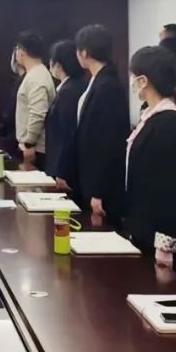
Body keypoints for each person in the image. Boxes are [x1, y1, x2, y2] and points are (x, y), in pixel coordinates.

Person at [125, 45, 176, 278]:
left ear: (143, 80)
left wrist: (165, 247)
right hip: (144, 226)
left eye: (133, 77)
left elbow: (172, 190)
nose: (131, 83)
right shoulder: (151, 114)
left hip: (163, 239)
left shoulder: (170, 123)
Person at [64, 24, 130, 225]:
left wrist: (98, 190)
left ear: (84, 52)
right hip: (87, 178)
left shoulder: (108, 85)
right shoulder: (97, 80)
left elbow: (108, 142)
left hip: (101, 186)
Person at [45, 39, 88, 192]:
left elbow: (67, 134)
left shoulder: (69, 92)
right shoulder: (76, 86)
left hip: (65, 169)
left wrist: (61, 171)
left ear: (58, 65)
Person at [13, 31, 55, 171]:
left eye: (17, 49)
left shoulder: (37, 77)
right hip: (31, 147)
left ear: (22, 52)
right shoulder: (36, 73)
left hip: (34, 150)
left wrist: (29, 143)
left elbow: (38, 113)